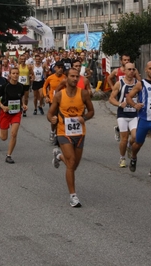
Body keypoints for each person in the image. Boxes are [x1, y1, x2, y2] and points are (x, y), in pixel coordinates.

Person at [47, 68, 94, 207]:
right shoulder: (59, 96)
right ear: (66, 78)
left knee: (74, 166)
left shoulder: (84, 94)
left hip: (79, 134)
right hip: (63, 132)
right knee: (72, 162)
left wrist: (84, 117)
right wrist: (52, 119)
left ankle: (59, 157)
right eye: (72, 76)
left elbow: (91, 111)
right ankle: (73, 196)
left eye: (76, 76)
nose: (74, 79)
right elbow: (50, 114)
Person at [0, 68, 27, 164]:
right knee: (4, 138)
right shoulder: (5, 86)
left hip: (16, 112)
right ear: (10, 75)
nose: (15, 75)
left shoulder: (21, 86)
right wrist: (2, 106)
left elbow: (21, 98)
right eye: (13, 73)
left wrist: (23, 105)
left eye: (17, 73)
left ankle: (9, 155)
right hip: (5, 113)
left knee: (14, 134)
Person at [109, 63, 139, 167]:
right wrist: (119, 104)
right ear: (125, 71)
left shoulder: (138, 83)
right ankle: (122, 158)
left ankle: (130, 146)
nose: (131, 71)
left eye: (133, 69)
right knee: (124, 138)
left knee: (135, 137)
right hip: (122, 114)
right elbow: (111, 98)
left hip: (134, 114)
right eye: (129, 69)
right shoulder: (119, 83)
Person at [42, 61, 66, 142]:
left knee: (62, 118)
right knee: (54, 118)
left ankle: (59, 134)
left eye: (62, 68)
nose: (60, 69)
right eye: (58, 67)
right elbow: (44, 87)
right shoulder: (50, 77)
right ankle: (52, 131)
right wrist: (46, 96)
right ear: (55, 68)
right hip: (53, 101)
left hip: (63, 101)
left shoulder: (65, 78)